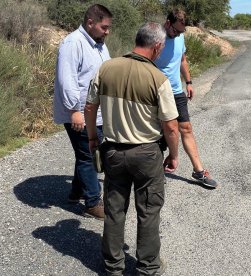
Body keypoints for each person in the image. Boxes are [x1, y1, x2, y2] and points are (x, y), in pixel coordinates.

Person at [84, 22, 179, 276]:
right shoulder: (158, 78)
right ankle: (148, 267)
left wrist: (93, 138)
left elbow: (90, 107)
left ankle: (113, 267)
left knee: (114, 209)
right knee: (148, 210)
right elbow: (170, 126)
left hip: (113, 150)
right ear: (157, 47)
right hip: (147, 154)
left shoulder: (106, 68)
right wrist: (174, 154)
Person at [53, 4, 112, 220]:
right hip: (80, 112)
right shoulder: (73, 43)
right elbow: (66, 80)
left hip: (96, 112)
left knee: (85, 152)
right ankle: (92, 203)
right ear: (90, 23)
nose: (107, 32)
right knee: (88, 155)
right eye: (104, 27)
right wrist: (74, 110)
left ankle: (76, 191)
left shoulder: (99, 45)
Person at [155, 8, 218, 188]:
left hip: (176, 91)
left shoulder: (179, 36)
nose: (178, 34)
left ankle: (199, 171)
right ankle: (153, 172)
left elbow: (182, 60)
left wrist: (189, 82)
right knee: (160, 131)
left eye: (182, 31)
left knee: (186, 128)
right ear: (168, 23)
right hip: (156, 92)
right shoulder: (154, 38)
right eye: (176, 30)